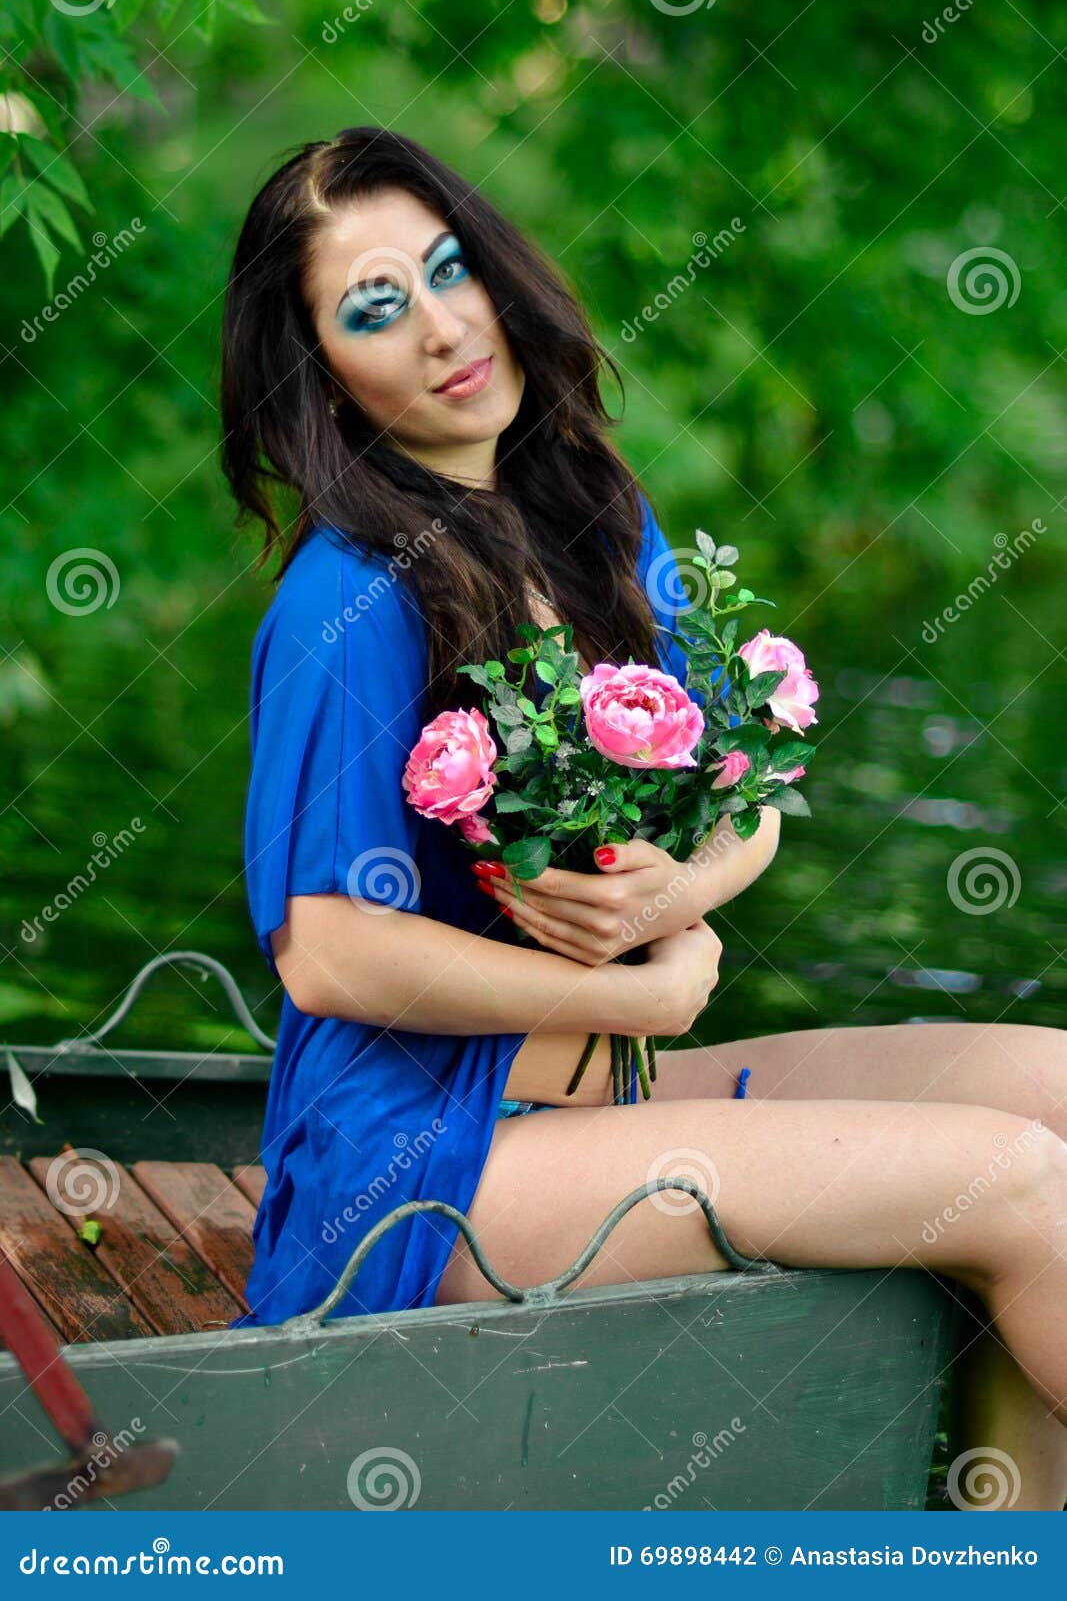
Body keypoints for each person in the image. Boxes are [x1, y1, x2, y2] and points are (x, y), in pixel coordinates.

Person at [219, 125, 1067, 1509]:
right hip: (425, 1169)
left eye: (448, 272)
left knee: (1057, 1090)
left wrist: (677, 904)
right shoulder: (347, 596)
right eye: (377, 309)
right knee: (1021, 1184)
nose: (442, 329)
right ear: (321, 374)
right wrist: (626, 992)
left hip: (608, 1088)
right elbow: (324, 950)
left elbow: (754, 785)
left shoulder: (590, 513)